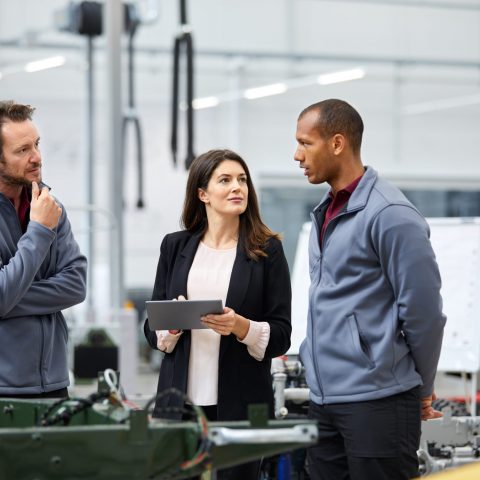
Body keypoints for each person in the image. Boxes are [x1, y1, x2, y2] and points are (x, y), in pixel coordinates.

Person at [294, 99, 446, 480]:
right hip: (325, 399)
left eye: (305, 143)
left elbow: (423, 311)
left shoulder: (390, 214)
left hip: (378, 400)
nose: (297, 156)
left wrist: (423, 388)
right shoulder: (325, 211)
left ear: (337, 143)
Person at [144, 148, 291, 479]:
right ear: (202, 194)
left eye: (242, 180)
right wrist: (173, 325)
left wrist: (241, 326)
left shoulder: (267, 250)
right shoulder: (175, 246)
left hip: (241, 402)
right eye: (224, 180)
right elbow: (151, 330)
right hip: (179, 404)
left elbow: (282, 334)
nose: (237, 187)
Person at [0, 100, 87, 398]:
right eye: (22, 150)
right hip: (4, 390)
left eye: (36, 145)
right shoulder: (45, 217)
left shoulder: (50, 206)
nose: (36, 157)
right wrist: (38, 231)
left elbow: (76, 285)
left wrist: (11, 300)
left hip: (54, 383)